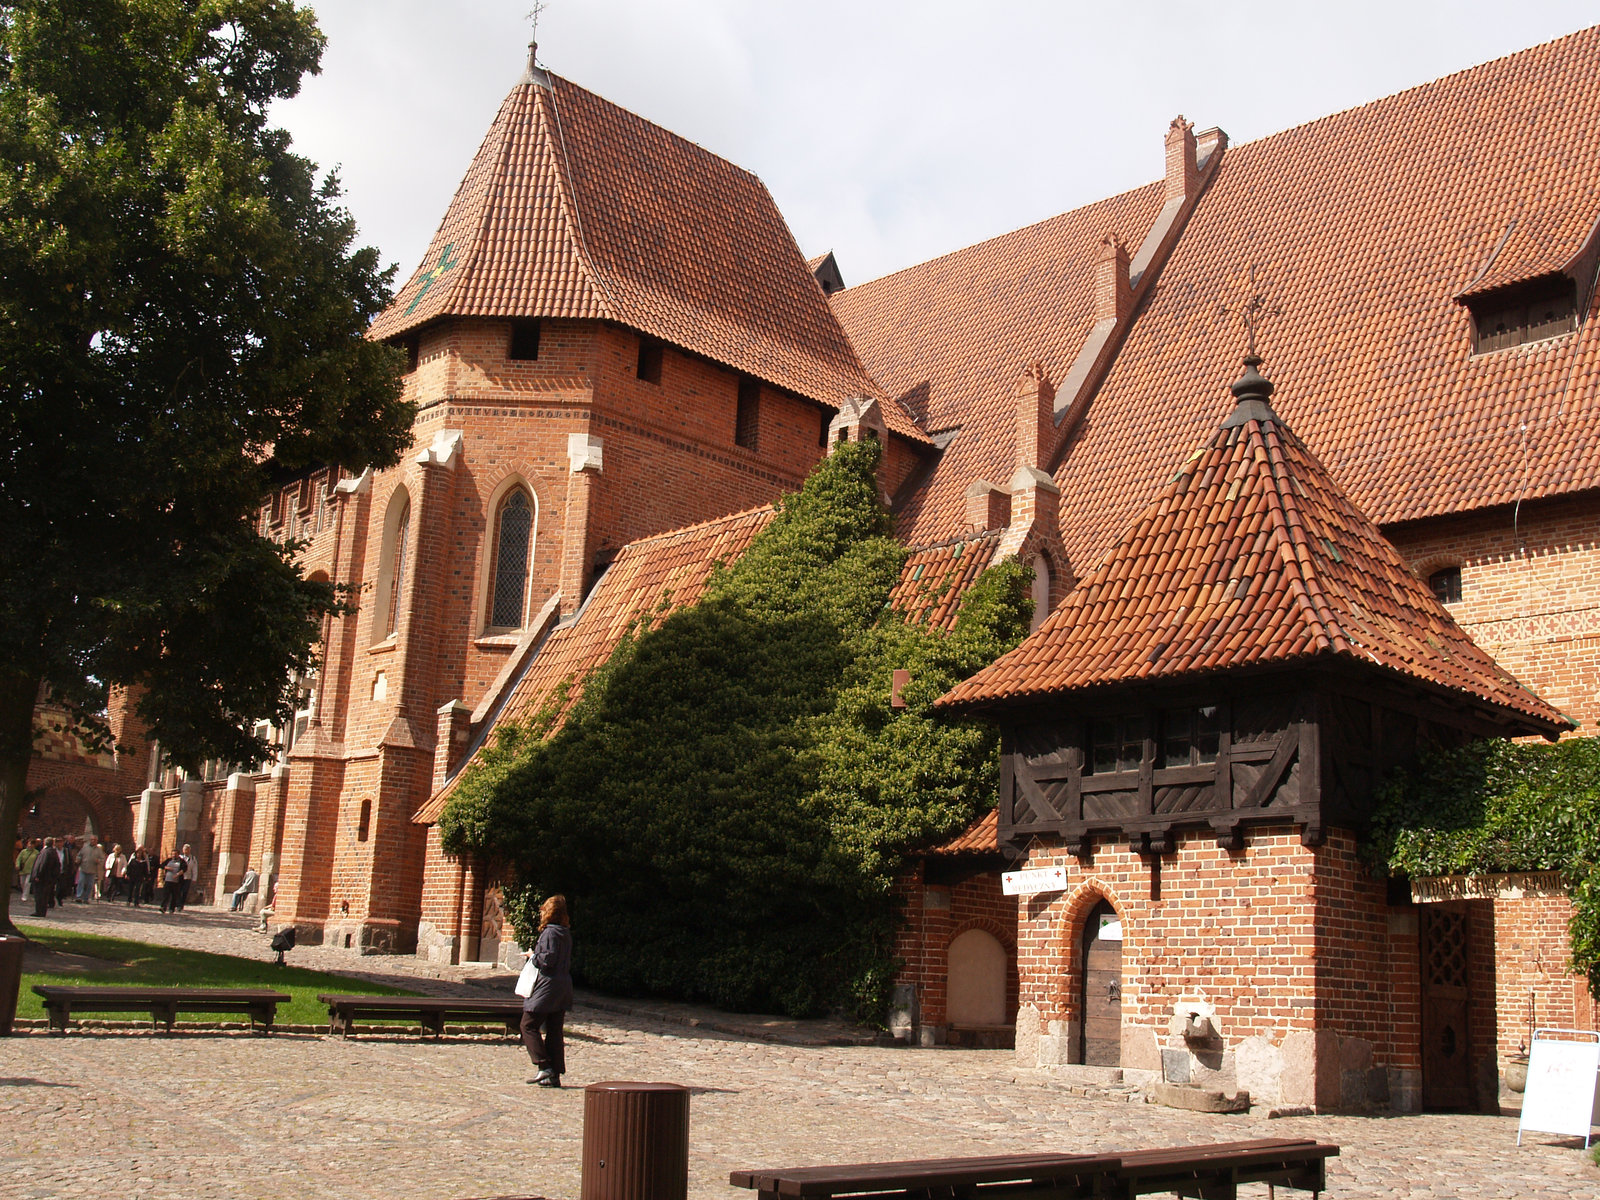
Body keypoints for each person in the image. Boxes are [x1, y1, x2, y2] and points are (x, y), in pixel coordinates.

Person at [520, 894, 573, 1089]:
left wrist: (532, 956)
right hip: (562, 987)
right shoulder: (565, 933)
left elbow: (547, 960)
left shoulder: (550, 933)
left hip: (548, 987)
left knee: (528, 1025)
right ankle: (554, 1074)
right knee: (554, 1030)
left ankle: (544, 1066)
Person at [29, 838, 62, 918]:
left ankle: (39, 911)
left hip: (43, 878)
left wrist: (38, 875)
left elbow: (42, 864)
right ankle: (41, 911)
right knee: (44, 895)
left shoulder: (46, 852)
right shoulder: (53, 852)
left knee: (40, 895)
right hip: (48, 878)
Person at [77, 836, 105, 903]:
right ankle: (79, 896)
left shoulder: (99, 850)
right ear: (90, 840)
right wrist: (78, 859)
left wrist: (99, 861)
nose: (93, 841)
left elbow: (102, 859)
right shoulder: (85, 848)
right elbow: (79, 855)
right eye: (92, 840)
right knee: (81, 882)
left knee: (90, 885)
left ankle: (86, 898)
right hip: (83, 868)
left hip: (92, 870)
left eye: (95, 840)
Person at [178, 843, 197, 910]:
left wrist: (194, 878)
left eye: (187, 850)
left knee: (185, 891)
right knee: (178, 890)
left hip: (187, 877)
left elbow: (194, 869)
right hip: (180, 876)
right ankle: (178, 903)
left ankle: (181, 904)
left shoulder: (193, 858)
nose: (186, 851)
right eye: (185, 850)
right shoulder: (180, 857)